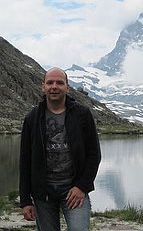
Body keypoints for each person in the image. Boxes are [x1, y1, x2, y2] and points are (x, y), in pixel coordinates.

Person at [19, 67, 101, 231]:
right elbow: (25, 161)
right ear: (43, 86)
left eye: (59, 83)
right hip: (43, 193)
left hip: (74, 190)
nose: (54, 86)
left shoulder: (82, 114)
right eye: (50, 82)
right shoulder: (32, 118)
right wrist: (26, 201)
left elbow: (94, 155)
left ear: (67, 87)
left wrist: (82, 187)